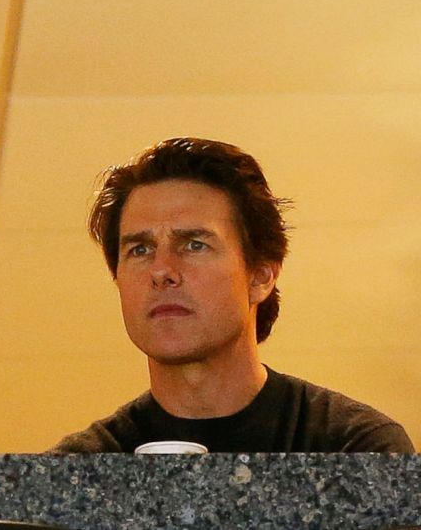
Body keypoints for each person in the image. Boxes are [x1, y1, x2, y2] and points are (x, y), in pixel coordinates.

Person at [51, 137, 414, 454]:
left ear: (260, 275)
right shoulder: (76, 474)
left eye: (194, 244)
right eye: (140, 250)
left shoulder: (353, 448)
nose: (161, 271)